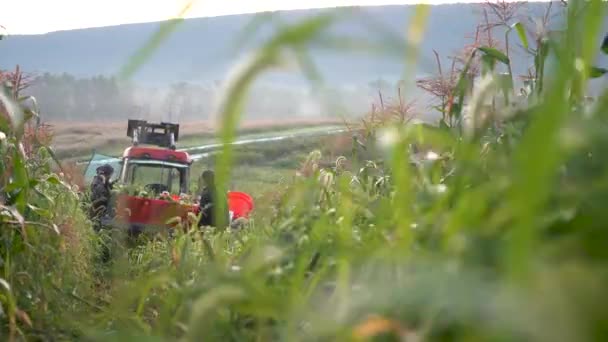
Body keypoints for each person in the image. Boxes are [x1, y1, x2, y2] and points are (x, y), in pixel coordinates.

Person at [89, 163, 114, 231]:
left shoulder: (100, 181)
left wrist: (108, 184)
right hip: (98, 211)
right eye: (110, 175)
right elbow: (101, 195)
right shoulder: (98, 182)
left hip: (99, 210)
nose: (110, 177)